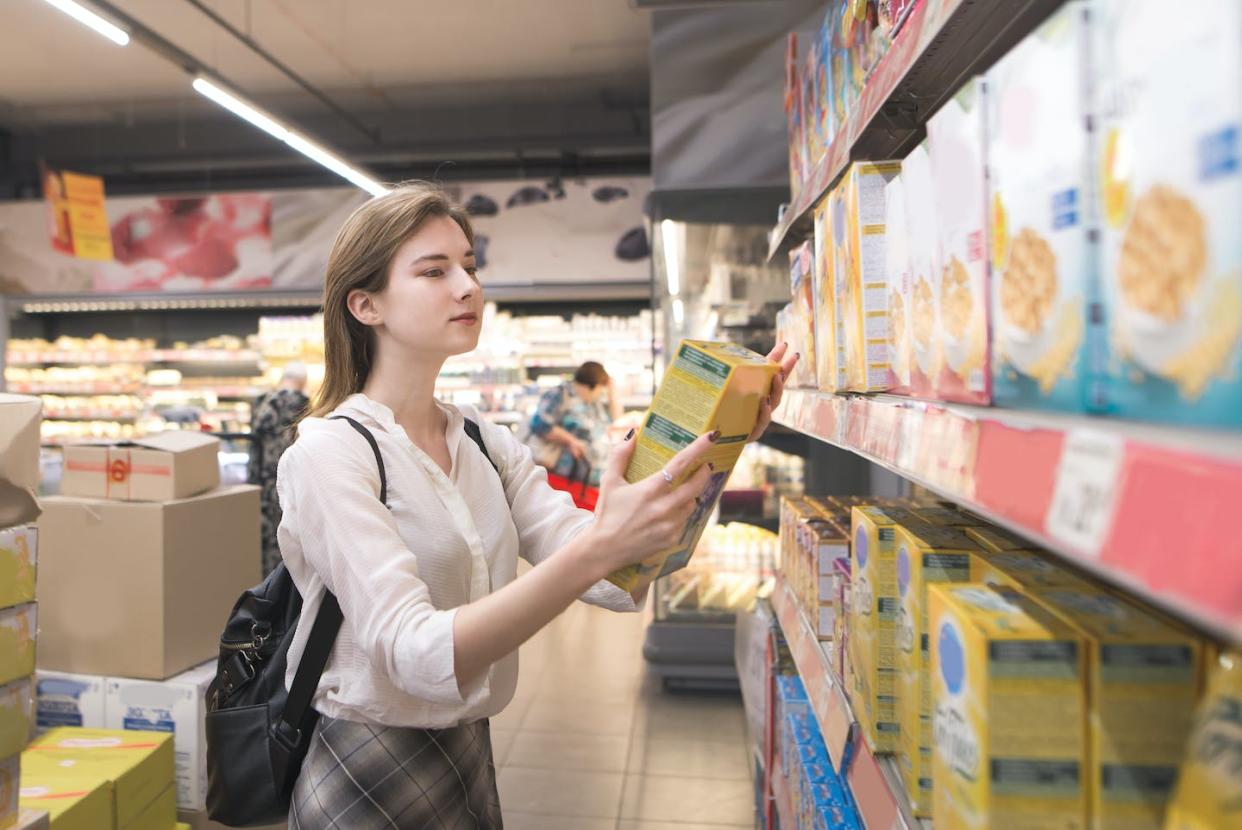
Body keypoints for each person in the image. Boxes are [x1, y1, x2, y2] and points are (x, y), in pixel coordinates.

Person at [276, 182, 796, 828]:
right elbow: (412, 650)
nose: (467, 287)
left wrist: (723, 443)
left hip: (468, 757)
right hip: (364, 771)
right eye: (434, 271)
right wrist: (598, 549)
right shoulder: (328, 455)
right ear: (366, 304)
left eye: (469, 265)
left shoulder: (482, 443)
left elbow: (615, 575)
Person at [248, 361, 309, 575]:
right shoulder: (303, 404)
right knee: (287, 535)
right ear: (303, 382)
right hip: (289, 481)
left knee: (263, 537)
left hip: (263, 481)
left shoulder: (262, 403)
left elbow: (254, 447)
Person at [523, 360, 622, 490]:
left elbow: (616, 418)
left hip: (591, 480)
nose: (601, 393)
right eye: (600, 389)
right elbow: (539, 424)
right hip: (565, 477)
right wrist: (571, 441)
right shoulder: (560, 394)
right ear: (592, 386)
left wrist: (612, 390)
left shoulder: (593, 401)